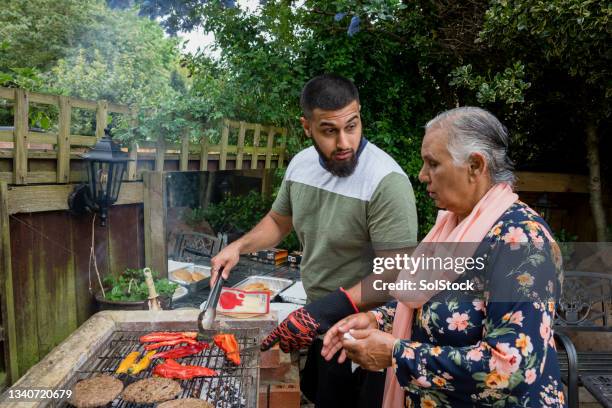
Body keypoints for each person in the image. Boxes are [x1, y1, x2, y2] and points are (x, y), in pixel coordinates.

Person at [322, 107, 566, 407]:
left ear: (475, 166)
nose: (423, 175)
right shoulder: (454, 227)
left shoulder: (521, 239)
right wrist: (376, 319)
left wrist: (397, 353)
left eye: (433, 164)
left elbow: (511, 368)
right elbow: (430, 305)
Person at [210, 74, 418, 407]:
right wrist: (238, 246)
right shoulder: (300, 165)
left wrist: (321, 312)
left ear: (360, 114)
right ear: (306, 126)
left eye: (352, 126)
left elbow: (394, 275)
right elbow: (279, 221)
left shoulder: (386, 181)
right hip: (316, 321)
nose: (344, 142)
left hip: (364, 333)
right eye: (329, 131)